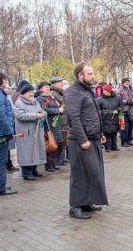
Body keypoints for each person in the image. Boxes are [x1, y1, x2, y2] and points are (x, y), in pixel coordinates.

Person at [65, 63, 108, 219]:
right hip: (79, 140)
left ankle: (87, 201)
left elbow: (93, 113)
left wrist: (100, 133)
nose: (93, 76)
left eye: (92, 73)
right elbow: (74, 118)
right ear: (80, 75)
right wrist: (83, 139)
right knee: (79, 174)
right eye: (89, 73)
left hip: (93, 137)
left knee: (93, 173)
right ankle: (75, 206)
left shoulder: (87, 91)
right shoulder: (73, 92)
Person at [14, 84, 47, 180]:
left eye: (32, 92)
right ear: (24, 93)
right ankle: (26, 173)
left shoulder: (35, 101)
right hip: (26, 132)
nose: (32, 94)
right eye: (30, 92)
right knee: (27, 152)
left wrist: (43, 113)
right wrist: (35, 115)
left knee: (36, 151)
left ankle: (34, 170)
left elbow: (41, 111)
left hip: (36, 131)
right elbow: (20, 116)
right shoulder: (19, 102)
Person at [36, 81, 63, 170]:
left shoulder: (51, 97)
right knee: (49, 143)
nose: (48, 88)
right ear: (41, 89)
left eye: (48, 86)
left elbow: (58, 105)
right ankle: (49, 165)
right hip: (48, 123)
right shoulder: (40, 99)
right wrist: (58, 111)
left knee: (55, 142)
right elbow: (44, 110)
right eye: (45, 87)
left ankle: (54, 163)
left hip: (56, 123)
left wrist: (53, 98)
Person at [96, 83, 122, 151]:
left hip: (115, 118)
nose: (104, 92)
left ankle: (114, 146)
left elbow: (121, 106)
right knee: (107, 133)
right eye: (104, 91)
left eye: (106, 91)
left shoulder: (117, 98)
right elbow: (98, 110)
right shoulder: (99, 99)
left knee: (114, 132)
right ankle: (107, 147)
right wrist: (103, 112)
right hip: (105, 118)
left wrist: (117, 110)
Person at [50, 76, 69, 164]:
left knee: (64, 140)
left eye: (62, 82)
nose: (62, 84)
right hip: (59, 120)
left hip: (64, 119)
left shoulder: (61, 92)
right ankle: (59, 159)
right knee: (60, 140)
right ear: (54, 84)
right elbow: (60, 105)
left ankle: (62, 158)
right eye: (59, 82)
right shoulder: (53, 93)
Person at [116, 78, 133, 147]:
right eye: (125, 82)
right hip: (122, 111)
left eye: (128, 82)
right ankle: (123, 142)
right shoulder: (119, 90)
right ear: (123, 83)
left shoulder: (131, 90)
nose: (127, 83)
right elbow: (118, 100)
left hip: (130, 111)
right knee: (123, 127)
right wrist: (126, 101)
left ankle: (129, 140)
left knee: (130, 126)